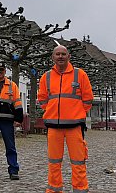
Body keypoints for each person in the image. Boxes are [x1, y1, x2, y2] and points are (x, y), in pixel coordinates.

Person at [38, 45, 93, 193]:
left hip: (74, 127)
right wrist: (52, 111)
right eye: (57, 54)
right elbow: (42, 99)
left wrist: (77, 112)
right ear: (53, 57)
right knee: (54, 162)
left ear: (69, 56)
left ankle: (80, 189)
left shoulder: (79, 75)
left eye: (63, 54)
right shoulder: (46, 77)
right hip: (53, 127)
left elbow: (88, 99)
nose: (60, 56)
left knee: (78, 161)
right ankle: (54, 190)